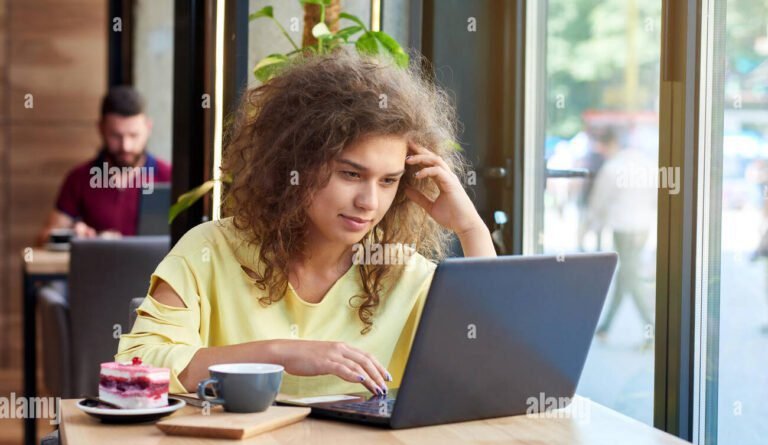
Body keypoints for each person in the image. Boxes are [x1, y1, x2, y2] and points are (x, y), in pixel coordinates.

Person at [115, 48, 497, 397]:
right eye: (350, 174)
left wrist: (471, 230)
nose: (369, 202)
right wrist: (281, 353)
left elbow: (486, 364)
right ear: (296, 163)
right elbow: (139, 367)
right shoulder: (209, 250)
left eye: (389, 181)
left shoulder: (403, 273)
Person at [36, 85, 171, 246]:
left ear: (148, 128)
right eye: (116, 136)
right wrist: (73, 234)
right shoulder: (79, 179)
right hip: (97, 270)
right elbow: (44, 239)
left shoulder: (169, 176)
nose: (125, 146)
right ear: (101, 129)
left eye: (134, 135)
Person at [587, 128, 656, 341]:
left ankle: (653, 329)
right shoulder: (646, 164)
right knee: (626, 275)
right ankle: (605, 328)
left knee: (630, 277)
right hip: (643, 227)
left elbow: (598, 201)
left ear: (610, 145)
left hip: (623, 228)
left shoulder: (612, 168)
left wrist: (592, 226)